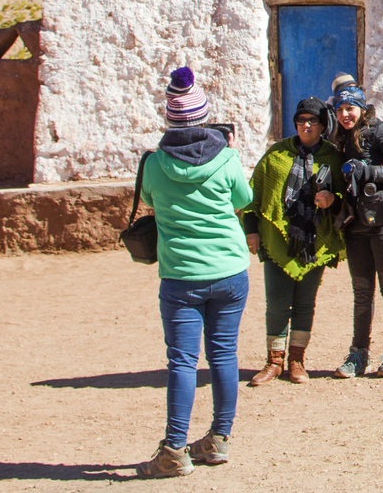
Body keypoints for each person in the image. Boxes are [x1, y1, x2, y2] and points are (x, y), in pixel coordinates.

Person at [135, 67, 253, 477]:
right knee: (224, 353)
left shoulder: (154, 164)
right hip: (229, 271)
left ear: (169, 120)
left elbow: (149, 198)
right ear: (203, 118)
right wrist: (230, 151)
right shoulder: (226, 158)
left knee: (183, 361)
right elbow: (244, 197)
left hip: (181, 275)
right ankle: (219, 438)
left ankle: (174, 448)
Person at [243, 98, 341, 386]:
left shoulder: (332, 157)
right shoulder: (276, 155)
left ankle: (296, 360)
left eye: (312, 121)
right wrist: (251, 230)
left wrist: (332, 199)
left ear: (323, 125)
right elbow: (253, 195)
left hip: (315, 241)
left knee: (304, 304)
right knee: (276, 302)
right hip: (277, 240)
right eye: (301, 121)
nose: (306, 126)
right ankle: (274, 361)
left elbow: (347, 198)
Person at [328, 82, 383, 379]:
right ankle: (358, 353)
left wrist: (369, 171)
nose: (344, 114)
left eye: (349, 108)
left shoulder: (381, 130)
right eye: (339, 109)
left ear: (361, 108)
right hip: (356, 223)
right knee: (362, 292)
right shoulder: (339, 138)